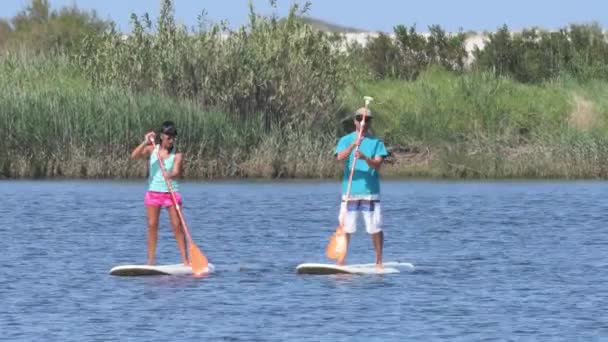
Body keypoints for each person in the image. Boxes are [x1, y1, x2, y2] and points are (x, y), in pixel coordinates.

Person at [334, 107, 388, 266]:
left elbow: (377, 165)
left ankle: (378, 261)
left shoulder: (376, 143)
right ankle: (341, 260)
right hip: (350, 191)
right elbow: (339, 157)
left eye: (366, 119)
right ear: (354, 121)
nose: (362, 122)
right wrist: (353, 146)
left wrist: (364, 157)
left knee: (374, 226)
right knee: (346, 226)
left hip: (369, 192)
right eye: (359, 118)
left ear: (370, 122)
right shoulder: (345, 140)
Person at [130, 121, 188, 265]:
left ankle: (185, 260)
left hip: (171, 193)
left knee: (176, 225)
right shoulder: (152, 150)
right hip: (154, 193)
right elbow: (134, 156)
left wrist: (170, 175)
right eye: (169, 138)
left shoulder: (177, 154)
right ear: (162, 136)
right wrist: (144, 142)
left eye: (173, 138)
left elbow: (177, 171)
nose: (171, 141)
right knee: (152, 225)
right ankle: (150, 261)